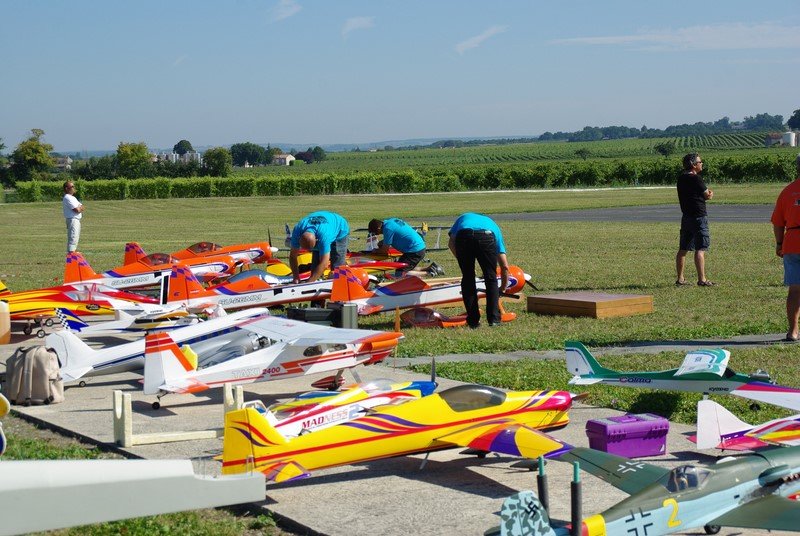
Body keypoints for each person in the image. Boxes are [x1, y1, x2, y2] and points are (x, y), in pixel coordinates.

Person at [448, 213, 509, 328]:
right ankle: (494, 320)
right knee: (490, 278)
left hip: (464, 236)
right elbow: (504, 266)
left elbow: (451, 243)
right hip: (487, 236)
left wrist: (462, 261)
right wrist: (503, 287)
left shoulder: (463, 217)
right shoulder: (494, 227)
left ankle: (473, 321)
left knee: (468, 278)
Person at [771, 154, 800, 342]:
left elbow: (778, 222)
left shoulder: (788, 191)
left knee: (795, 289)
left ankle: (793, 331)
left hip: (792, 242)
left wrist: (780, 243)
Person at [675, 153, 714, 286]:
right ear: (693, 164)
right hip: (699, 216)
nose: (701, 164)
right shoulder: (697, 178)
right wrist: (711, 194)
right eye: (699, 162)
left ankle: (680, 278)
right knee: (700, 248)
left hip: (686, 217)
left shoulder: (681, 178)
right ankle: (702, 279)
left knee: (683, 249)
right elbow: (707, 195)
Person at [367, 218, 444, 278]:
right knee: (403, 266)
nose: (377, 234)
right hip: (417, 246)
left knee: (399, 274)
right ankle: (431, 268)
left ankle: (430, 273)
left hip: (414, 250)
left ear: (378, 228)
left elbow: (384, 250)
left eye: (375, 232)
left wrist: (375, 251)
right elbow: (397, 234)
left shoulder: (387, 229)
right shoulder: (390, 222)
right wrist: (382, 243)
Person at [289, 211, 349, 283]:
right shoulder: (297, 231)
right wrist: (296, 277)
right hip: (324, 227)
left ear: (317, 240)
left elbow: (324, 263)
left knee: (337, 266)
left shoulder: (324, 237)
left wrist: (309, 282)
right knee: (314, 269)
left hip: (339, 227)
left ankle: (340, 282)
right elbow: (293, 256)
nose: (310, 251)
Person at [62, 181, 84, 253]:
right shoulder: (67, 197)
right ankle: (71, 253)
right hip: (72, 219)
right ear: (66, 188)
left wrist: (80, 207)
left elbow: (82, 206)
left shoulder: (73, 198)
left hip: (76, 219)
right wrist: (79, 207)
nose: (74, 188)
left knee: (76, 237)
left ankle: (73, 252)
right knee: (73, 237)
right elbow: (77, 210)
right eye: (72, 187)